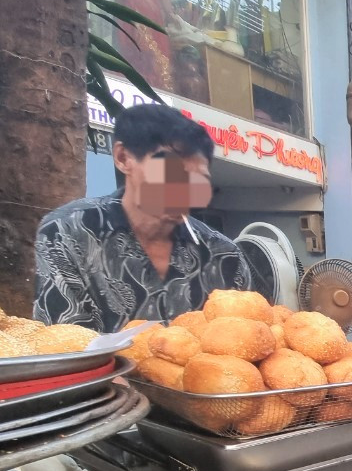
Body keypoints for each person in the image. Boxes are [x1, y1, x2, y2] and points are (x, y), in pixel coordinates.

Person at [34, 104, 249, 332]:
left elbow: (249, 340)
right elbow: (68, 346)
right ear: (123, 157)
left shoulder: (224, 254)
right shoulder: (68, 231)